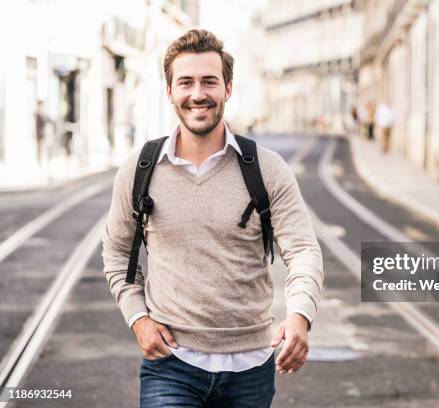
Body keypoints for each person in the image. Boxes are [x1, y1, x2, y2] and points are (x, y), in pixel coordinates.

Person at [102, 29, 324, 407]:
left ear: (228, 88)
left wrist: (300, 316)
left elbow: (302, 250)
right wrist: (137, 317)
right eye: (185, 82)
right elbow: (117, 251)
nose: (198, 94)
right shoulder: (139, 169)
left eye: (209, 81)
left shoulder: (267, 169)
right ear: (170, 91)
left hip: (251, 369)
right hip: (170, 365)